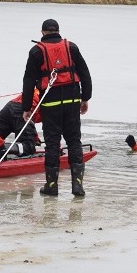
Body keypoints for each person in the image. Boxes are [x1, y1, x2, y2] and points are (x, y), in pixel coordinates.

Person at [22, 18, 92, 196]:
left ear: (42, 33)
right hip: (71, 100)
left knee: (52, 144)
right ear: (59, 31)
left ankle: (51, 186)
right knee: (74, 141)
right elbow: (85, 73)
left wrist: (27, 108)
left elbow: (29, 81)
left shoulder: (36, 51)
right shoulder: (71, 47)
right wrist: (85, 98)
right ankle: (77, 186)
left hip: (50, 102)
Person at [0, 89, 41, 157]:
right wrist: (55, 148)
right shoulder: (55, 105)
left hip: (10, 107)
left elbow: (31, 122)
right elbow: (51, 129)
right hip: (22, 110)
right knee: (28, 147)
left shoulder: (42, 88)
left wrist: (35, 137)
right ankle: (1, 148)